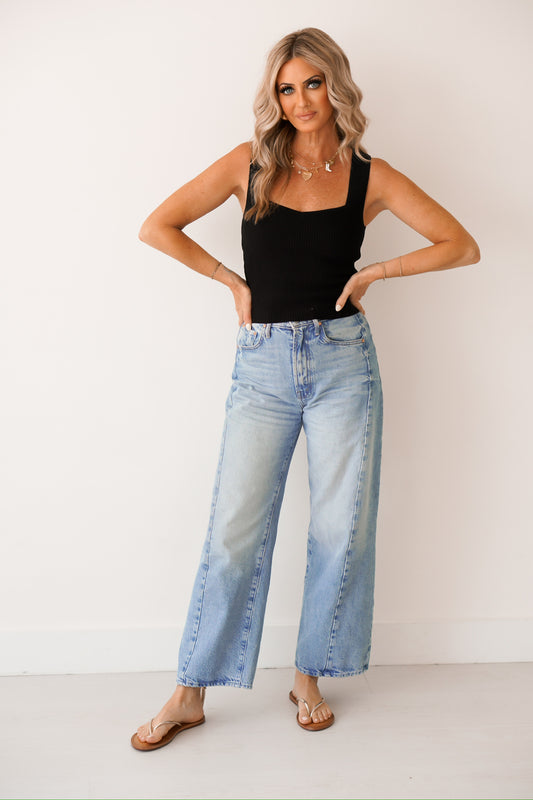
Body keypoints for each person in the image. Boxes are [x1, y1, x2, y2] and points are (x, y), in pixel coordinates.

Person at [131, 27, 480, 751]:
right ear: (274, 97)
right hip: (261, 366)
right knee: (233, 534)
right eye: (286, 89)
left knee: (336, 532)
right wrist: (231, 282)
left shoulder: (368, 174)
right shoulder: (248, 163)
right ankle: (189, 690)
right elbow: (157, 225)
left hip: (342, 362)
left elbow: (459, 243)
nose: (299, 100)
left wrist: (376, 273)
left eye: (312, 84)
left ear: (336, 86)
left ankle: (308, 676)